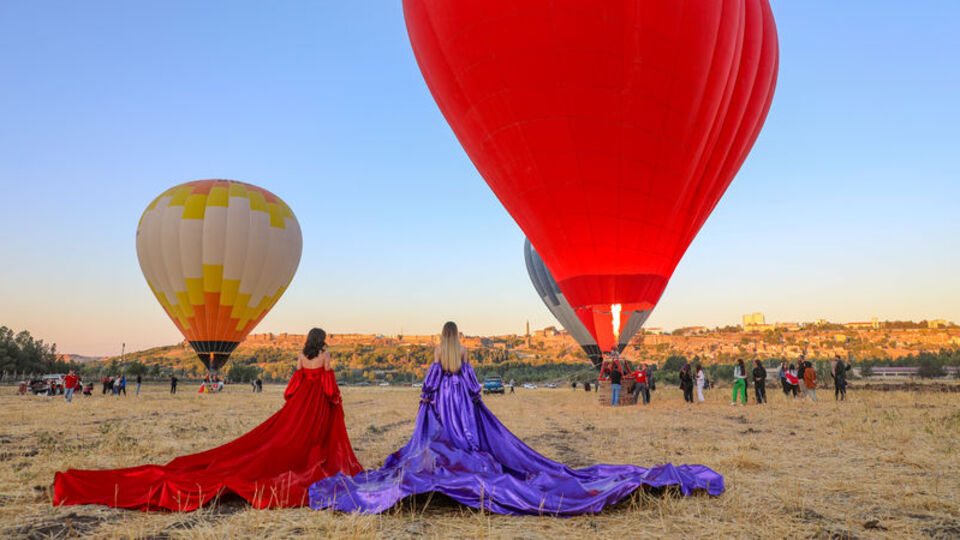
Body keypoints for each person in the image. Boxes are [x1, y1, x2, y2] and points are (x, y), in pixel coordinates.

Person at [308, 321, 724, 516]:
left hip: (442, 409)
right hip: (464, 411)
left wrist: (426, 415)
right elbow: (471, 387)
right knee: (474, 449)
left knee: (442, 448)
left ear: (440, 338)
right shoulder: (465, 355)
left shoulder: (436, 356)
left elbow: (430, 387)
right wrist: (476, 409)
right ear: (459, 338)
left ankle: (449, 458)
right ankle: (467, 455)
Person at [54, 327, 362, 510]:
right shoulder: (324, 356)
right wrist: (334, 400)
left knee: (280, 435)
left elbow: (295, 384)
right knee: (311, 438)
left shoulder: (302, 356)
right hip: (317, 404)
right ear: (322, 339)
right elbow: (328, 384)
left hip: (300, 405)